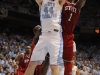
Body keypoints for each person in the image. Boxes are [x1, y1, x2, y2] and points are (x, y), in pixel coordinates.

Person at [24, 0, 65, 75]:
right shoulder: (42, 2)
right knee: (31, 64)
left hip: (55, 36)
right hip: (44, 35)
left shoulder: (59, 2)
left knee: (54, 66)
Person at [61, 0, 86, 75]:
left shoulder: (77, 5)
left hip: (69, 35)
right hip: (59, 33)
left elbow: (82, 1)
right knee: (51, 59)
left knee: (68, 61)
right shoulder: (63, 2)